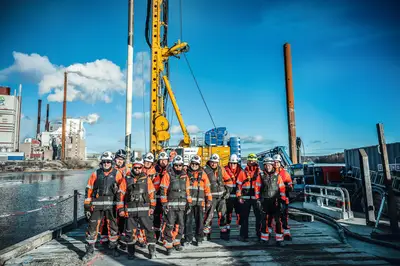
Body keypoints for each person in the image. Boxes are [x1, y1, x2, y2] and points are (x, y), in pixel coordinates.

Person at [82, 151, 126, 261]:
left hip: (111, 205)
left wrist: (120, 205)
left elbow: (122, 190)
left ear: (112, 162)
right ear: (101, 162)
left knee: (113, 227)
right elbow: (89, 189)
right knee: (92, 227)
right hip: (97, 204)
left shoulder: (117, 174)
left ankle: (113, 248)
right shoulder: (96, 174)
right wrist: (87, 205)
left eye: (108, 162)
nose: (106, 164)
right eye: (104, 162)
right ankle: (89, 250)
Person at [121, 157, 157, 259]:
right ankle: (131, 252)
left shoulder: (147, 179)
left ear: (142, 168)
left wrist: (152, 207)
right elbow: (121, 194)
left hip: (144, 209)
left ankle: (152, 250)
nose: (137, 169)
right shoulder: (126, 179)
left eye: (139, 167)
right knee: (130, 231)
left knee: (149, 230)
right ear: (133, 167)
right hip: (130, 210)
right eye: (135, 167)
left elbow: (152, 194)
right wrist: (121, 209)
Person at [160, 155, 192, 254]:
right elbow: (163, 189)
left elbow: (187, 191)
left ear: (182, 165)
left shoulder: (185, 176)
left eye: (180, 165)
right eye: (176, 165)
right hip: (170, 205)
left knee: (180, 225)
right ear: (173, 165)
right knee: (169, 224)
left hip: (181, 205)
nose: (178, 167)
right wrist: (164, 203)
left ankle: (176, 241)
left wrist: (189, 203)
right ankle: (168, 244)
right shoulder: (168, 175)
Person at [99, 149, 129, 246]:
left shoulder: (127, 171)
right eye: (118, 159)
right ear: (114, 159)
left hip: (123, 198)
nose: (119, 161)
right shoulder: (110, 169)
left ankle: (121, 238)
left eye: (122, 159)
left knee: (123, 219)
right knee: (108, 219)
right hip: (110, 199)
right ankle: (105, 239)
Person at [183, 155, 212, 246]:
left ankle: (199, 238)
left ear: (199, 164)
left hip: (200, 203)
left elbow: (207, 188)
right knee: (188, 221)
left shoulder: (203, 174)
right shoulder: (186, 174)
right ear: (190, 163)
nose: (194, 165)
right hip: (189, 202)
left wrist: (209, 200)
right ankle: (188, 238)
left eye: (196, 164)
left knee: (199, 222)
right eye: (193, 163)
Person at [203, 153, 233, 240]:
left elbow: (229, 180)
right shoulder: (205, 170)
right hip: (210, 197)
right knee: (209, 216)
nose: (214, 164)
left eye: (215, 162)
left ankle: (223, 234)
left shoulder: (221, 169)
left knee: (222, 215)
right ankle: (206, 234)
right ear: (209, 161)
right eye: (212, 162)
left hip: (221, 197)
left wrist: (228, 191)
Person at [259, 157, 286, 246]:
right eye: (266, 165)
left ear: (272, 165)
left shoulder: (277, 176)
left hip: (276, 201)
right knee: (265, 220)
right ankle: (264, 238)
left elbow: (282, 188)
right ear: (264, 166)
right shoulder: (261, 176)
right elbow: (257, 188)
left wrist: (283, 201)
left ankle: (279, 239)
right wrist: (258, 200)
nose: (268, 167)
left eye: (269, 165)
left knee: (278, 220)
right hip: (265, 201)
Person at [236, 153, 261, 242]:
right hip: (245, 198)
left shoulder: (259, 172)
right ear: (247, 161)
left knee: (259, 217)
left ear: (256, 161)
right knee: (243, 217)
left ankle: (260, 235)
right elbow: (238, 185)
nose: (251, 162)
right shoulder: (243, 172)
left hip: (256, 198)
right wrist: (239, 196)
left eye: (253, 160)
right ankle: (243, 235)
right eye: (250, 160)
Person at [136, 152, 156, 247]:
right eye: (146, 161)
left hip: (149, 199)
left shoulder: (155, 173)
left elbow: (155, 188)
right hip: (139, 199)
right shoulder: (139, 170)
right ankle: (141, 239)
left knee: (148, 221)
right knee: (139, 222)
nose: (147, 163)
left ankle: (149, 239)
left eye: (149, 162)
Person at [224, 154, 245, 239]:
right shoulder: (224, 170)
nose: (232, 165)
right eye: (231, 163)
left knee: (239, 214)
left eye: (234, 163)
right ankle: (227, 230)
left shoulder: (241, 171)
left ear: (237, 163)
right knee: (227, 214)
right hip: (228, 196)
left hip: (238, 196)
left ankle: (241, 231)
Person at [273, 154, 293, 240]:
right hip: (272, 198)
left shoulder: (286, 174)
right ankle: (271, 231)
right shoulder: (270, 173)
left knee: (284, 216)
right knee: (271, 216)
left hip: (284, 198)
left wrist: (286, 187)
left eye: (278, 162)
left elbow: (291, 186)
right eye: (275, 162)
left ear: (280, 163)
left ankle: (286, 232)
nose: (276, 164)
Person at [153, 151, 169, 241]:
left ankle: (165, 236)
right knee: (155, 218)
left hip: (167, 198)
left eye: (165, 160)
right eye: (161, 160)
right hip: (155, 198)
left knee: (167, 218)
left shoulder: (170, 170)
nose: (163, 162)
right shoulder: (154, 170)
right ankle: (156, 235)